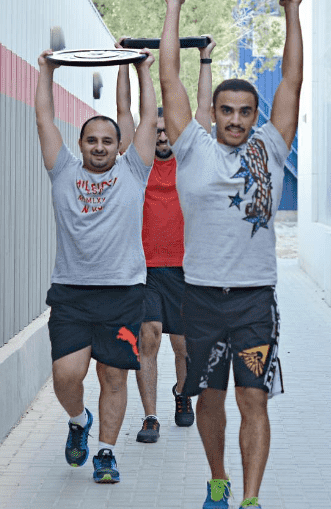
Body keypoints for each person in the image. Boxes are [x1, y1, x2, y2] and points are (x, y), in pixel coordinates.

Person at [158, 0, 304, 509]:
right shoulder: (191, 146)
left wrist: (292, 13)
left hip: (253, 300)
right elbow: (169, 76)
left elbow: (292, 79)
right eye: (228, 111)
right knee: (210, 398)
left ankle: (250, 499)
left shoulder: (271, 147)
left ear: (255, 114)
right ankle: (217, 479)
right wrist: (173, 9)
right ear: (214, 113)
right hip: (199, 297)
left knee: (254, 397)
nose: (237, 120)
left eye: (246, 111)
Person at [35, 45, 157, 484]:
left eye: (108, 141)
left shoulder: (134, 171)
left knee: (114, 376)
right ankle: (78, 419)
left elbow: (148, 119)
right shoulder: (62, 169)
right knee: (67, 374)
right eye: (92, 140)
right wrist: (47, 70)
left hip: (123, 293)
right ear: (80, 143)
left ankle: (106, 452)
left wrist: (144, 70)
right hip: (71, 293)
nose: (100, 147)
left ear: (119, 146)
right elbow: (45, 119)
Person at [115, 36, 216, 443]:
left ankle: (181, 394)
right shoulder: (136, 163)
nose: (160, 137)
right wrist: (124, 61)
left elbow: (204, 111)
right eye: (153, 131)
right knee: (148, 336)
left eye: (165, 130)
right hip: (144, 269)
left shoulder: (192, 158)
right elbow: (125, 111)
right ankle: (150, 417)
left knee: (185, 345)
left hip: (186, 268)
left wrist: (205, 58)